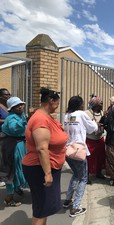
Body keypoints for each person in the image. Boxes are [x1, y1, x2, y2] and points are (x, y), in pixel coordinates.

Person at [22, 88, 68, 225]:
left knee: (45, 207)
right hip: (40, 169)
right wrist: (47, 174)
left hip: (47, 167)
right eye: (57, 103)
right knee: (41, 208)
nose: (58, 106)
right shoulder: (40, 119)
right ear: (51, 101)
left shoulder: (45, 117)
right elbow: (42, 148)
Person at [63, 96, 98, 217]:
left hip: (68, 150)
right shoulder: (81, 114)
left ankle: (67, 200)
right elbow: (92, 129)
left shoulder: (67, 115)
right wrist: (94, 121)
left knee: (75, 175)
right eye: (82, 103)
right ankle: (76, 207)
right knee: (83, 178)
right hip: (79, 150)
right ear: (79, 104)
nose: (83, 105)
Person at [1, 97, 27, 206]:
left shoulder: (20, 115)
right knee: (12, 171)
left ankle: (17, 188)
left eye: (21, 104)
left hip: (19, 145)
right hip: (13, 147)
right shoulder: (11, 118)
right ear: (12, 108)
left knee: (19, 168)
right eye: (17, 105)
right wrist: (24, 120)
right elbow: (14, 128)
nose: (21, 106)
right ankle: (9, 198)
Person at [85, 96, 106, 183]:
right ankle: (87, 175)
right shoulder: (87, 113)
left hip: (99, 138)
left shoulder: (102, 112)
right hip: (90, 138)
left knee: (101, 156)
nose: (102, 105)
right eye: (100, 103)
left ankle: (99, 172)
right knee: (89, 158)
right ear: (95, 104)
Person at [0, 88, 10, 187]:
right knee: (2, 157)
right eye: (6, 95)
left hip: (9, 135)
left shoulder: (9, 106)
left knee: (7, 157)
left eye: (9, 94)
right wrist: (7, 121)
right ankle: (2, 178)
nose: (8, 96)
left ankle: (6, 176)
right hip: (1, 134)